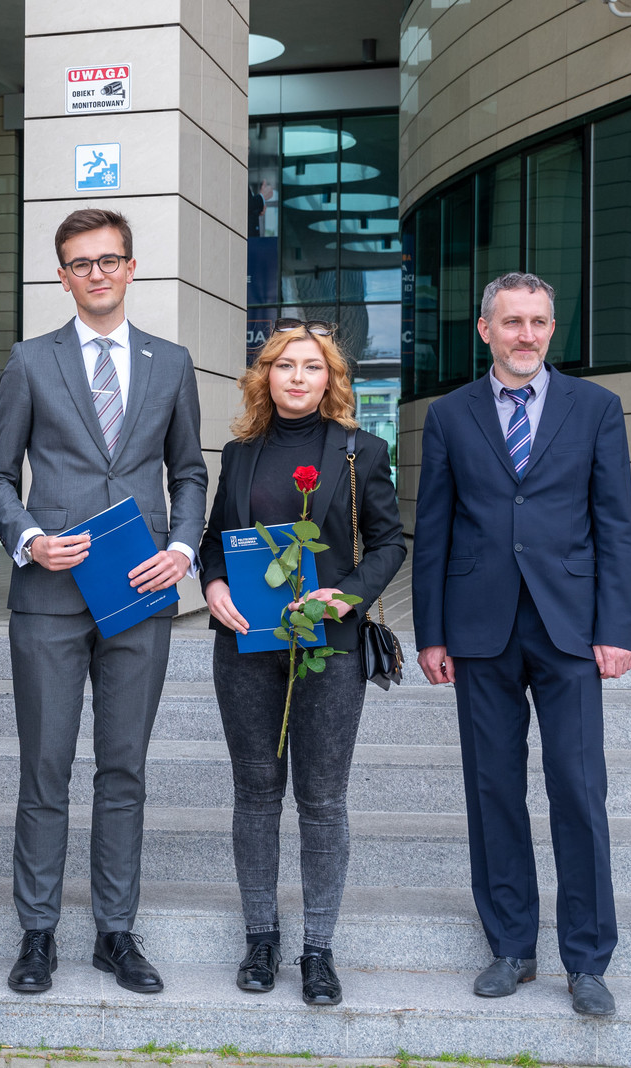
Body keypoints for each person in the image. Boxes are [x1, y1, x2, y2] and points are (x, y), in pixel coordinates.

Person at [0, 208, 207, 996]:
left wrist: (183, 550)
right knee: (45, 769)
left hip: (139, 592)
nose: (98, 273)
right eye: (82, 263)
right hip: (50, 593)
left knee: (123, 770)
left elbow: (189, 472)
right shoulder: (30, 361)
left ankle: (115, 932)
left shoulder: (170, 363)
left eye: (110, 259)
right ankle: (37, 933)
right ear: (63, 276)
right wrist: (28, 538)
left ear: (131, 267)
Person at [412, 272, 631, 1018]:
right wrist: (431, 633)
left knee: (578, 787)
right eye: (512, 322)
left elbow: (615, 524)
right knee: (494, 789)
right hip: (480, 629)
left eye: (539, 321)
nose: (527, 335)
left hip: (570, 627)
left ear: (551, 328)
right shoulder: (449, 415)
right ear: (486, 330)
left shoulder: (595, 408)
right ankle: (511, 946)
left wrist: (616, 629)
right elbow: (434, 530)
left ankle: (587, 960)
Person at [195, 319, 406, 1006]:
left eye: (312, 366)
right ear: (265, 375)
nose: (297, 376)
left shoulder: (361, 452)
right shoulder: (241, 453)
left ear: (330, 379)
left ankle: (318, 948)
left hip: (330, 647)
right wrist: (213, 584)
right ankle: (261, 938)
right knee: (256, 794)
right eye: (284, 364)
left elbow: (389, 542)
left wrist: (346, 597)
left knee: (321, 800)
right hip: (247, 645)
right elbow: (215, 539)